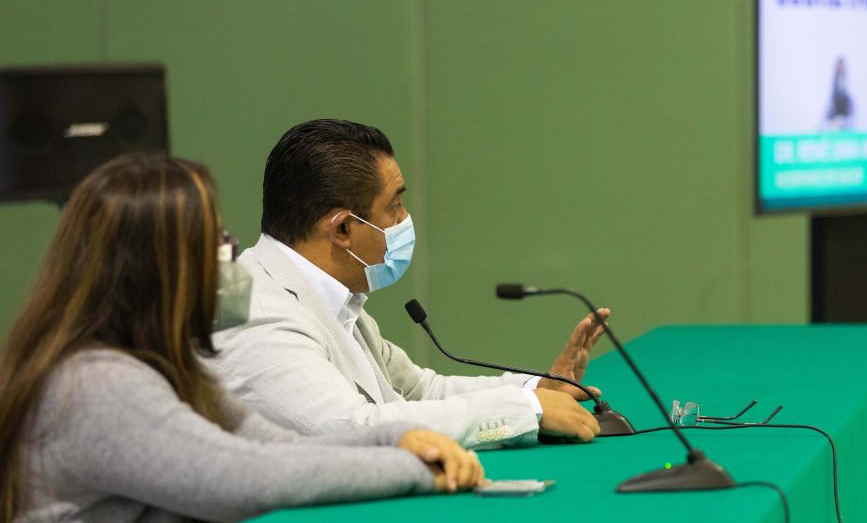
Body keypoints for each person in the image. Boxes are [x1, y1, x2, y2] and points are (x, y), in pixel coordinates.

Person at [0, 153, 483, 523]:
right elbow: (251, 482)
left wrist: (396, 439)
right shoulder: (97, 385)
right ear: (164, 270)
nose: (233, 252)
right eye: (215, 238)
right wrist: (421, 470)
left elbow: (277, 448)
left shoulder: (158, 370)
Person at [212, 119, 604, 449]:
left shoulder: (332, 298)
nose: (405, 218)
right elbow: (353, 429)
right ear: (343, 229)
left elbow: (419, 391)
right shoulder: (252, 312)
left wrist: (539, 388)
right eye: (394, 205)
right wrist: (526, 412)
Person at [822, 56, 855, 131]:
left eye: (842, 66)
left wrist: (843, 120)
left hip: (845, 119)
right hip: (833, 121)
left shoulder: (847, 87)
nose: (840, 68)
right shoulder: (832, 88)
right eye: (838, 66)